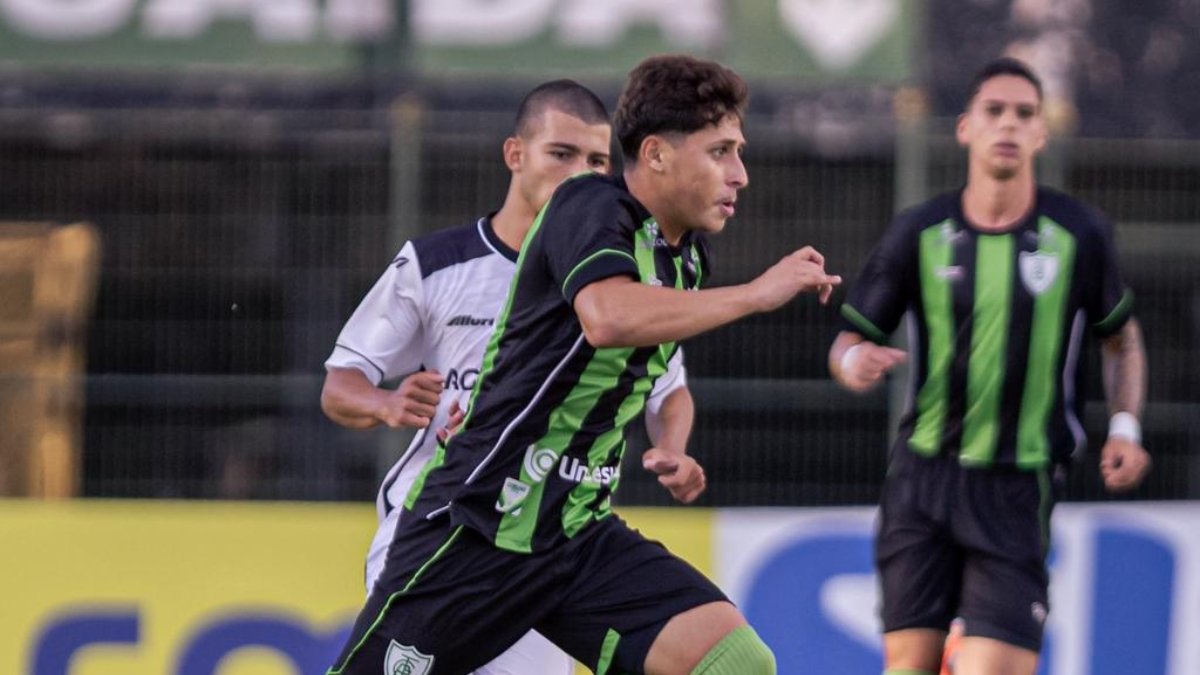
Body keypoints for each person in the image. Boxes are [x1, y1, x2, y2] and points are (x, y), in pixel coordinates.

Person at [326, 54, 840, 675]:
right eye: (721, 152)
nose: (741, 174)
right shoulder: (588, 207)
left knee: (735, 662)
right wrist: (759, 293)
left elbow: (661, 378)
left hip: (576, 536)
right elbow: (606, 317)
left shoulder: (684, 258)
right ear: (654, 154)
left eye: (738, 151)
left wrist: (672, 444)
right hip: (480, 526)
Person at [322, 79, 703, 675]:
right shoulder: (437, 264)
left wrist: (672, 448)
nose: (581, 174)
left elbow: (668, 387)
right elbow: (339, 384)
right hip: (437, 531)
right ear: (515, 154)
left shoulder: (620, 282)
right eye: (562, 154)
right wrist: (386, 404)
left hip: (541, 543)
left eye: (598, 161)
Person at [829, 57, 1152, 675]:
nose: (1008, 124)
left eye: (1024, 113)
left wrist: (1126, 428)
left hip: (1016, 489)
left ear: (1041, 134)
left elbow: (1121, 339)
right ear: (964, 128)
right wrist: (853, 363)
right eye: (994, 111)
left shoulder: (1078, 233)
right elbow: (847, 341)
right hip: (922, 482)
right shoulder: (919, 233)